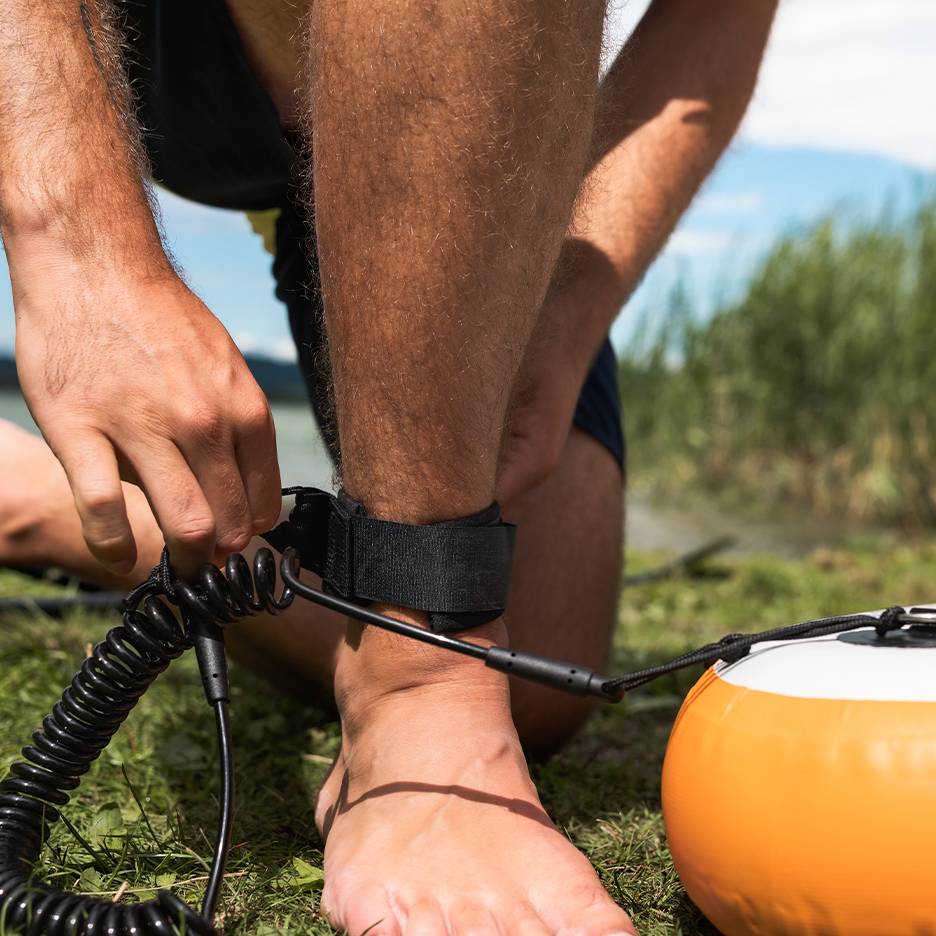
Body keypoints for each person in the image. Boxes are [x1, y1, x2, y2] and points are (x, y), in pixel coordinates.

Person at [0, 1, 777, 932]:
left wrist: (563, 303)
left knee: (539, 673)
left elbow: (720, 17)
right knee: (456, 655)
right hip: (135, 46)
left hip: (479, 117)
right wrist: (77, 244)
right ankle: (416, 677)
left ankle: (44, 503)